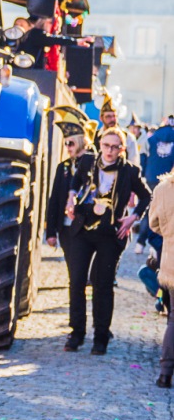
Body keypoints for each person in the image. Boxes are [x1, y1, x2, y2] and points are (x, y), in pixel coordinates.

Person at [65, 126, 151, 354]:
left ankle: (100, 337)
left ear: (122, 149)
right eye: (106, 145)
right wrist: (71, 198)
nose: (110, 151)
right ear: (100, 144)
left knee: (102, 284)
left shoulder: (129, 172)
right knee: (76, 281)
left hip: (110, 234)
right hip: (83, 229)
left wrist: (133, 217)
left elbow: (146, 196)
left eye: (115, 147)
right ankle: (76, 333)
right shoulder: (87, 162)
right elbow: (75, 181)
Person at [46, 106, 96, 255]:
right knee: (73, 272)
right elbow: (54, 198)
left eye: (71, 143)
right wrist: (50, 232)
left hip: (87, 226)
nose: (67, 147)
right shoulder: (63, 167)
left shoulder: (95, 163)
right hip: (66, 227)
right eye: (66, 143)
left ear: (81, 141)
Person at [150, 170, 174, 388]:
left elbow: (153, 224)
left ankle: (165, 373)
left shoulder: (163, 189)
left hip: (171, 263)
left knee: (173, 319)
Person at [16, 14, 93, 70]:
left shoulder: (34, 35)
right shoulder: (36, 33)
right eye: (50, 23)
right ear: (43, 22)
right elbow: (55, 39)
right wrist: (76, 41)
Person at [97, 94, 140, 166]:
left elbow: (134, 163)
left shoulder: (127, 137)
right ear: (101, 118)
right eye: (108, 116)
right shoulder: (95, 136)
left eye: (114, 116)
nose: (112, 119)